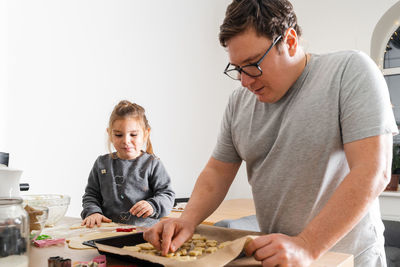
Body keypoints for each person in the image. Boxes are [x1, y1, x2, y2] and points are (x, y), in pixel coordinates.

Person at [144, 0, 398, 266]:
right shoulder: (238, 103)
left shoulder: (350, 71)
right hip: (279, 257)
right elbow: (217, 173)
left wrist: (307, 245)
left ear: (288, 41)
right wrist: (186, 220)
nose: (245, 80)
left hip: (347, 258)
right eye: (238, 68)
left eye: (253, 63)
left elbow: (372, 171)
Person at [81, 100, 175, 228]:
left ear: (146, 133)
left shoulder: (153, 164)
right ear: (110, 134)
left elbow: (167, 194)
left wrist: (153, 205)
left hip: (144, 232)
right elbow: (91, 196)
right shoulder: (101, 164)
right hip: (107, 232)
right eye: (118, 135)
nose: (126, 141)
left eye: (133, 134)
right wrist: (93, 212)